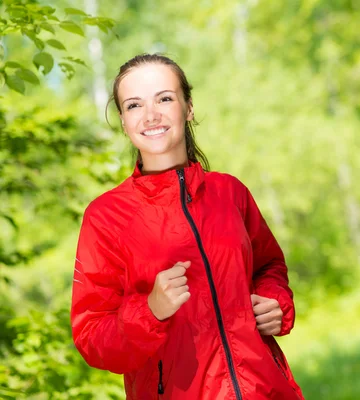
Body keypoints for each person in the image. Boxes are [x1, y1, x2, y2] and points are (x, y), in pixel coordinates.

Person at [70, 53, 304, 399]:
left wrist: (275, 301)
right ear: (123, 121)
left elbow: (269, 266)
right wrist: (150, 311)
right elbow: (92, 336)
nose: (151, 115)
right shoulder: (106, 216)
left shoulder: (230, 193)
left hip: (265, 390)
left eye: (164, 98)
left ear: (188, 107)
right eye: (134, 105)